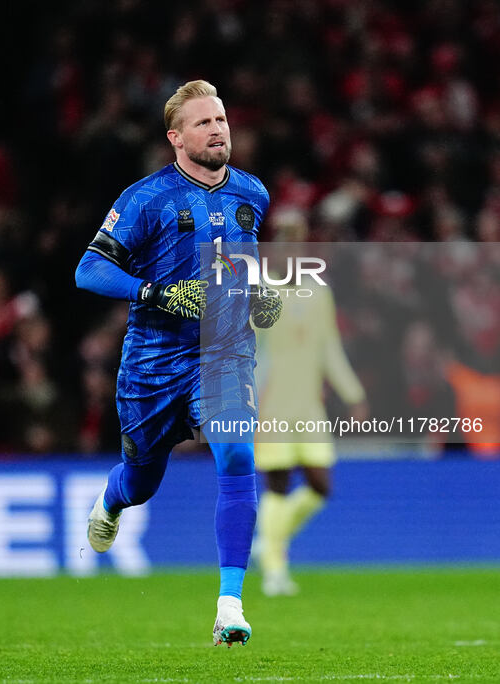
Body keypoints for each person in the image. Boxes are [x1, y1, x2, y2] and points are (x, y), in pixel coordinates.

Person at [75, 80, 281, 645]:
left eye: (221, 119)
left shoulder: (253, 193)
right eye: (203, 123)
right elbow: (87, 271)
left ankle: (230, 605)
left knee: (238, 455)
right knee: (142, 479)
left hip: (225, 352)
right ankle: (112, 500)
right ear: (175, 138)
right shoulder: (146, 198)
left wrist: (262, 293)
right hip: (154, 363)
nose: (218, 129)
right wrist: (153, 292)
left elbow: (243, 266)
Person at [254, 211, 367, 596]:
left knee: (320, 485)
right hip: (273, 400)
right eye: (284, 239)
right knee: (279, 484)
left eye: (298, 240)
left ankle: (269, 540)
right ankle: (274, 569)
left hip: (308, 404)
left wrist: (352, 393)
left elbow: (329, 348)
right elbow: (248, 348)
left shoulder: (319, 293)